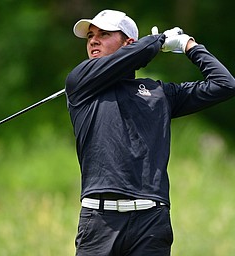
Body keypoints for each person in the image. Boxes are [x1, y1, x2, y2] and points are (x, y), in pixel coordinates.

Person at [65, 9, 235, 256]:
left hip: (151, 222)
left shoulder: (159, 93)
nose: (93, 40)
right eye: (91, 35)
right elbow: (138, 54)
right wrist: (158, 41)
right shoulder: (81, 84)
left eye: (104, 33)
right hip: (100, 221)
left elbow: (224, 84)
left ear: (128, 43)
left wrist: (190, 46)